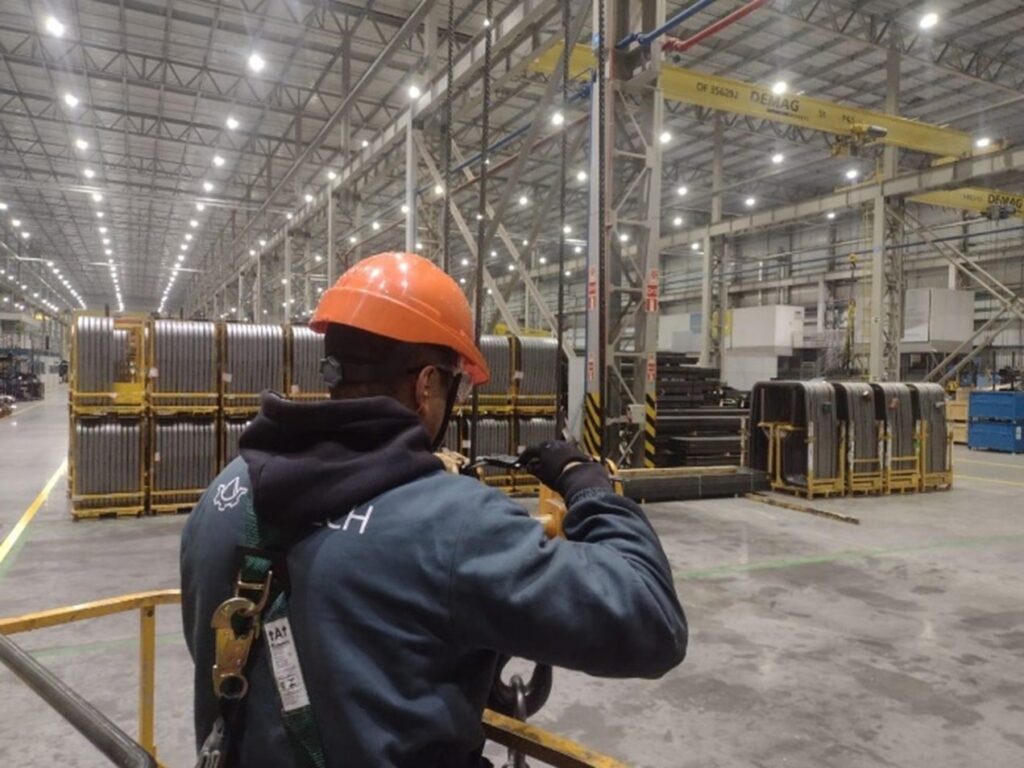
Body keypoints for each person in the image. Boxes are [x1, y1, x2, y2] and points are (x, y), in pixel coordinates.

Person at [180, 251, 687, 768]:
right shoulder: (454, 523)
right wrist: (590, 487)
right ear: (426, 385)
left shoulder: (225, 492)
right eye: (456, 386)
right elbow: (652, 621)